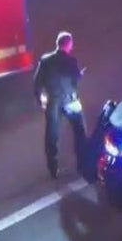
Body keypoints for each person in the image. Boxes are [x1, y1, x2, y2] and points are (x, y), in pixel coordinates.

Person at [33, 31, 89, 180]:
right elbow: (75, 81)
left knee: (52, 135)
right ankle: (82, 164)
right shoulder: (71, 60)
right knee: (80, 132)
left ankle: (53, 168)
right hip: (70, 101)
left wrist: (41, 101)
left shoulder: (45, 61)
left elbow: (37, 84)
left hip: (53, 102)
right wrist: (80, 75)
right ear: (68, 44)